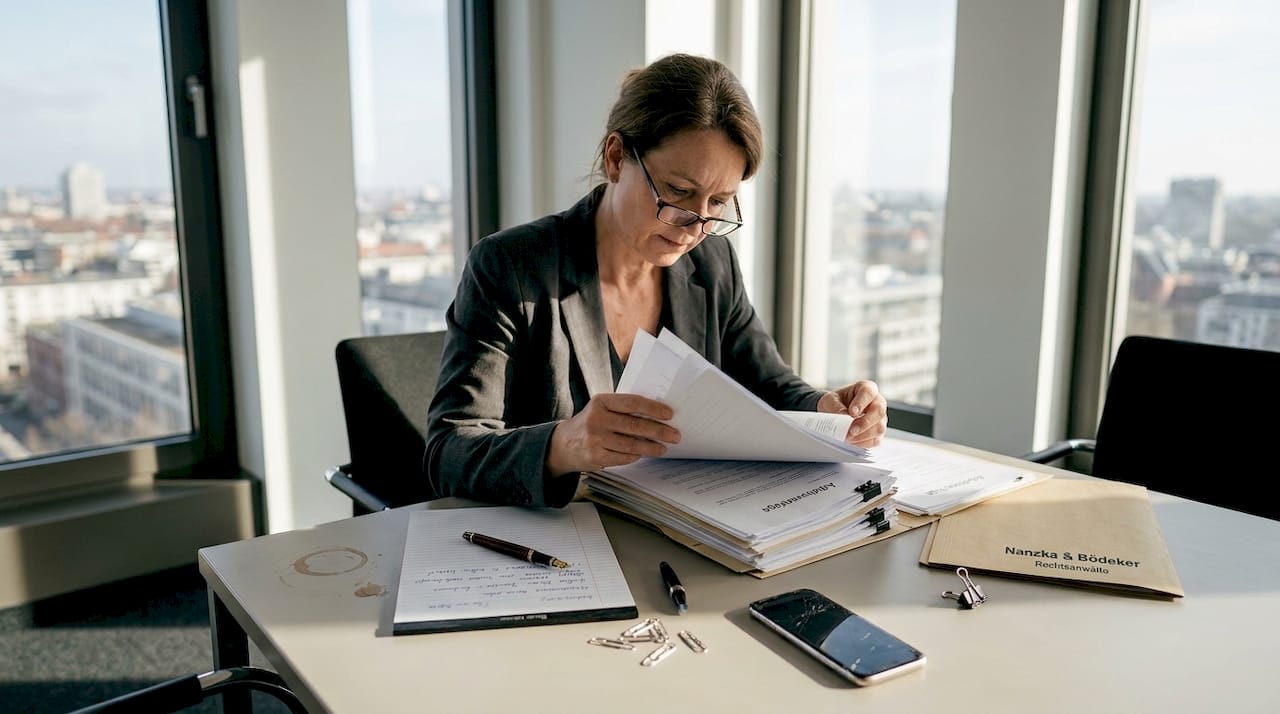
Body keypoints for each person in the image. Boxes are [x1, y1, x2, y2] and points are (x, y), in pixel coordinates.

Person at [426, 53, 887, 508]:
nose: (696, 224)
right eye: (679, 192)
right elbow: (448, 453)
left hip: (681, 531)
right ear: (615, 158)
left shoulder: (713, 261)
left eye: (719, 202)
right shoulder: (511, 266)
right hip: (559, 543)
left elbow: (770, 386)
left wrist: (827, 410)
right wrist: (563, 445)